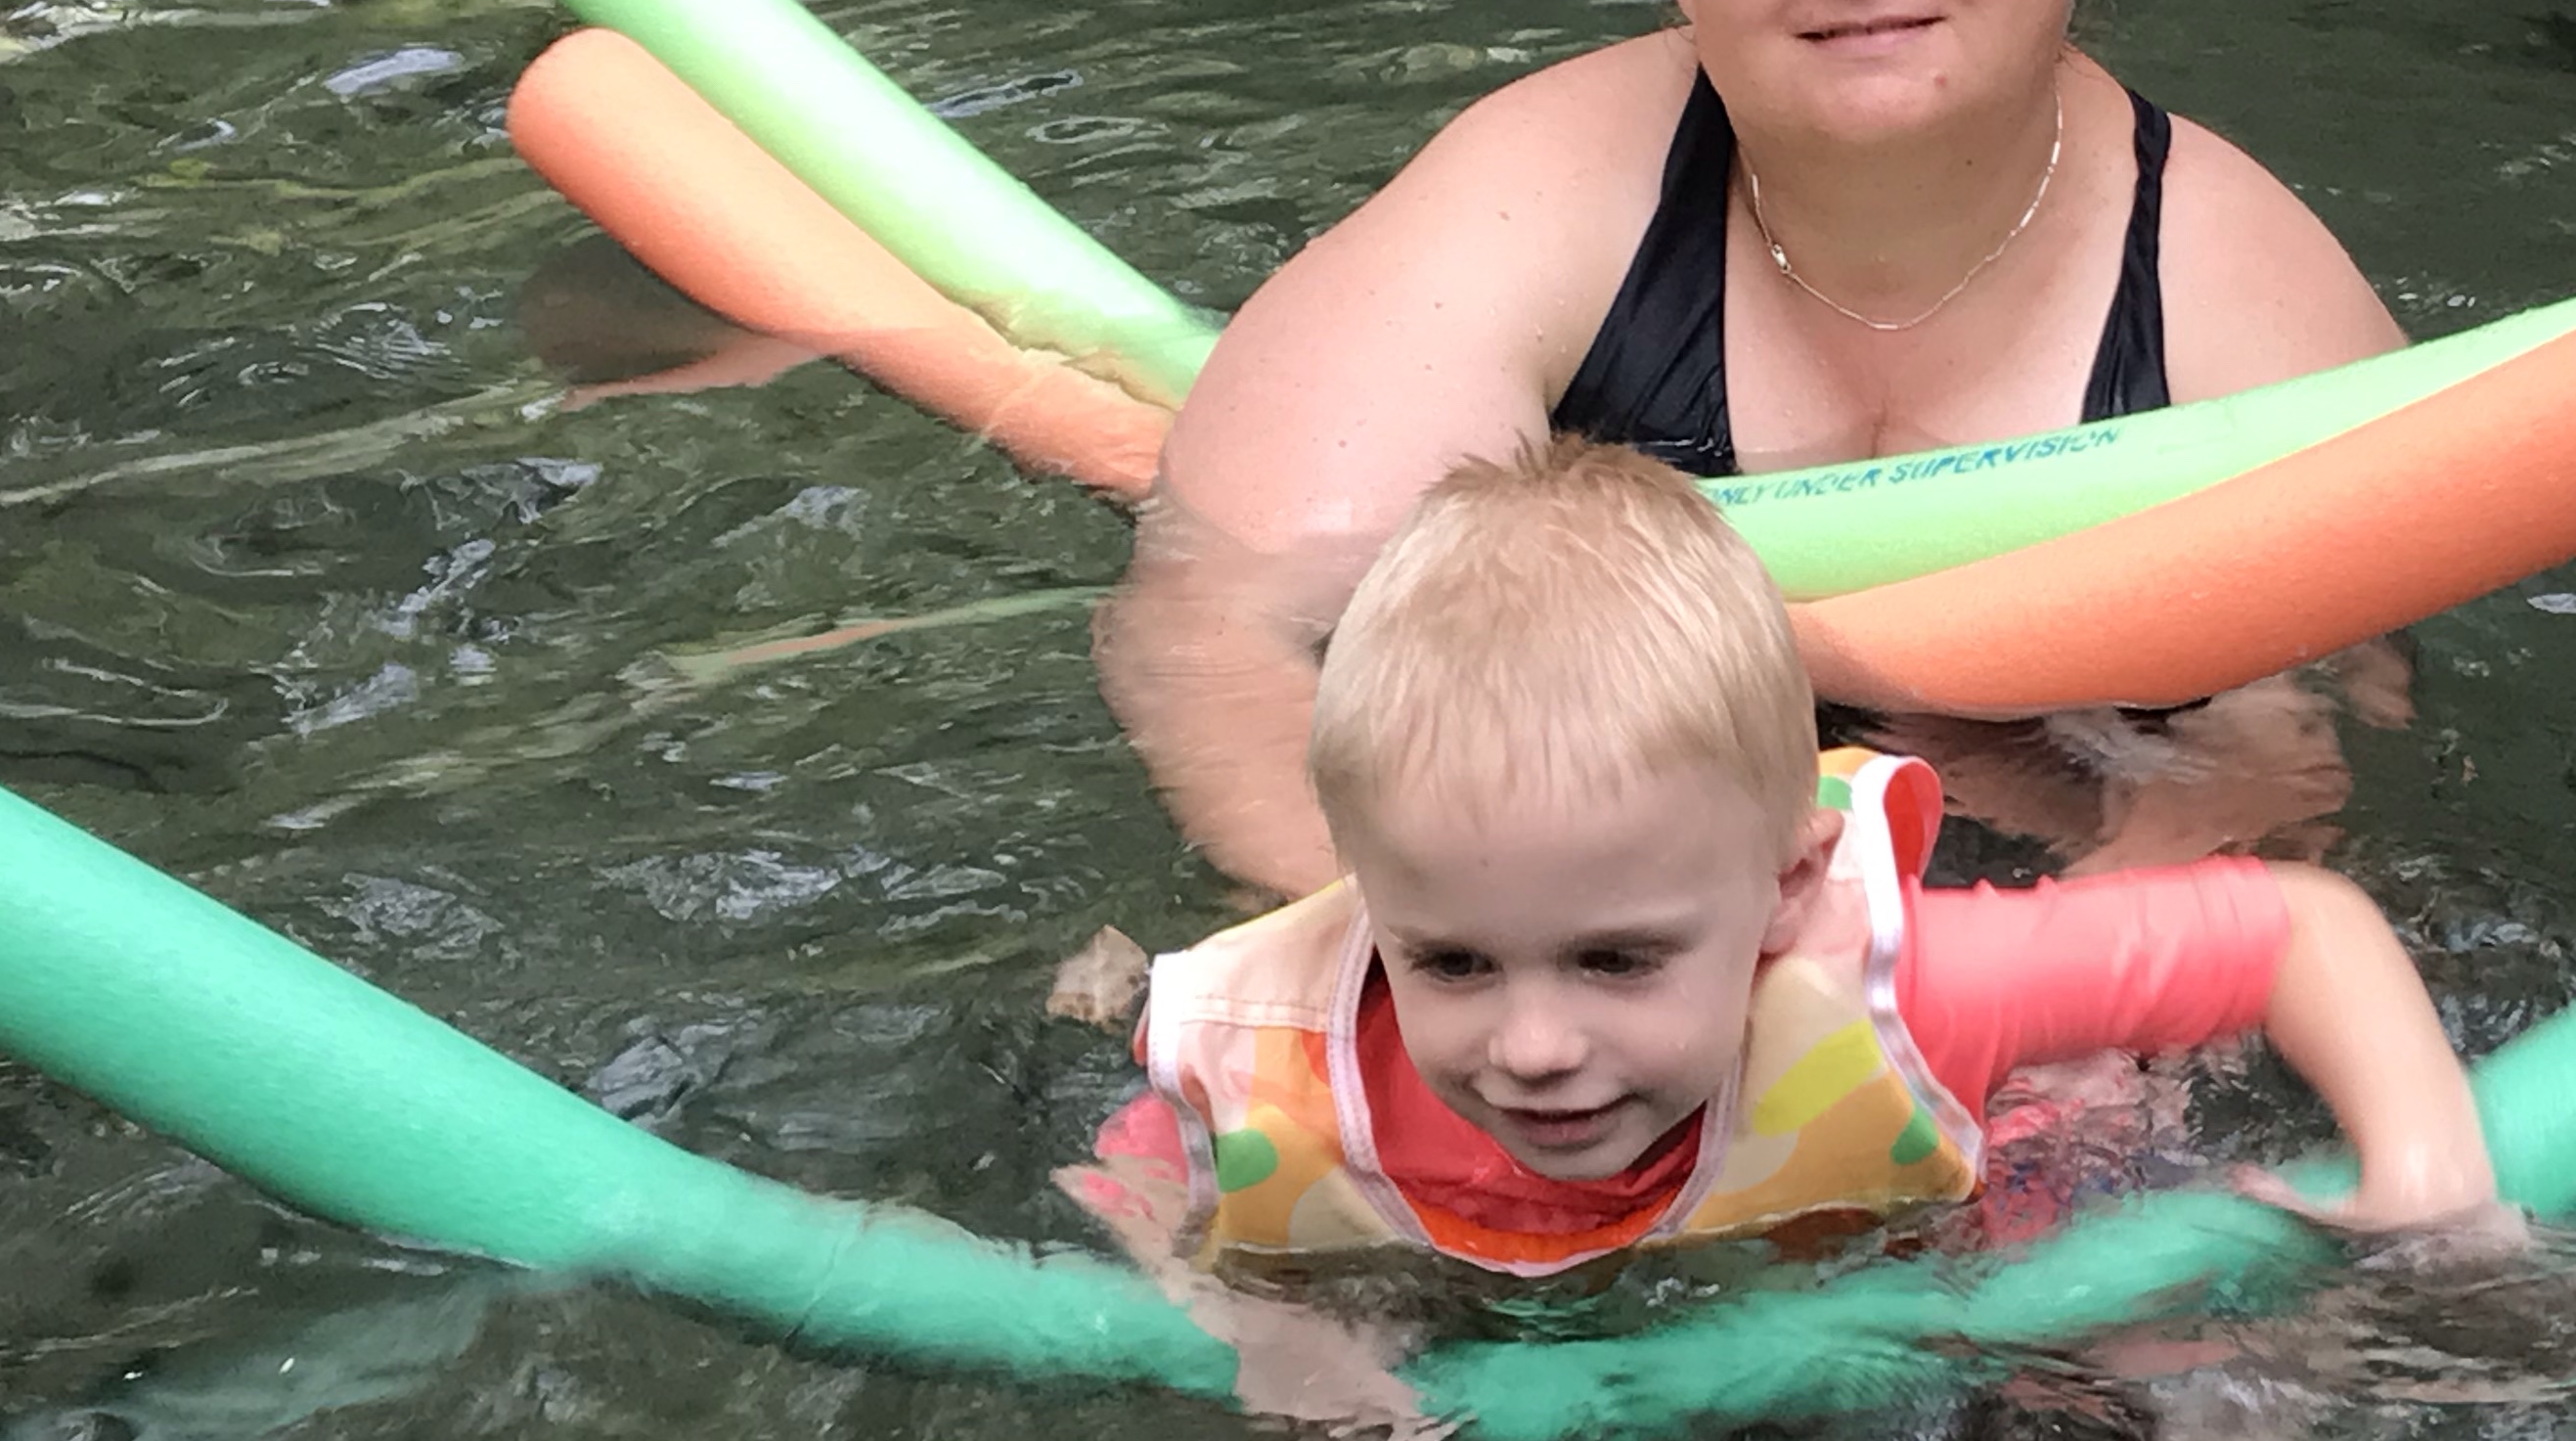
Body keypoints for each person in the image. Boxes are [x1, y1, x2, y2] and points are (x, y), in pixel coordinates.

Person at [1098, 0, 2409, 894]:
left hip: (2043, 874)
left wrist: (1965, 991)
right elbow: (1222, 632)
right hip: (1569, 894)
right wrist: (1519, 975)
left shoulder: (2246, 308)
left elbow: (2294, 778)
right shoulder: (1550, 192)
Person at [1062, 439, 2495, 1283]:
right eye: (1451, 961)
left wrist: (2429, 1169)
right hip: (1565, 1286)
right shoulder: (1303, 1067)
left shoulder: (1912, 990)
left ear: (1789, 887)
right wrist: (1238, 1324)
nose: (1534, 1046)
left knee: (2119, 1323)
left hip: (1902, 1197)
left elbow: (2300, 931)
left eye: (1618, 960)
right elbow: (1124, 1187)